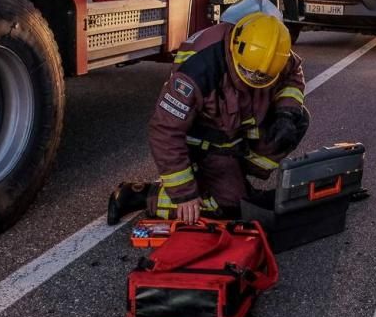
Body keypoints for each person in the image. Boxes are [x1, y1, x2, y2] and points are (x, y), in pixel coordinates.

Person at [107, 13, 309, 225]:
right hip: (206, 142)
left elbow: (293, 73)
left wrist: (286, 112)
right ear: (235, 46)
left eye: (263, 78)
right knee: (228, 207)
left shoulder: (271, 52)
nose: (253, 81)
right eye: (247, 73)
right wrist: (184, 193)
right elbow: (165, 130)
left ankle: (234, 178)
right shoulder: (198, 69)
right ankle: (143, 194)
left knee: (298, 119)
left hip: (234, 133)